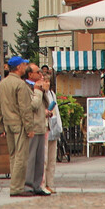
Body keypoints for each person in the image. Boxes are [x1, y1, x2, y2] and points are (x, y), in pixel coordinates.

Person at [0, 55, 45, 197]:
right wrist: (29, 128)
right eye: (23, 65)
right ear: (18, 67)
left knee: (13, 156)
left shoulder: (3, 83)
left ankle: (14, 184)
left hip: (8, 124)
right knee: (21, 157)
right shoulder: (20, 84)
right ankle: (17, 187)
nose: (25, 67)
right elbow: (25, 109)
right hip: (19, 125)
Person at [37, 67, 62, 195]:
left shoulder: (51, 94)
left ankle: (50, 183)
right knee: (45, 158)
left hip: (53, 126)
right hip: (45, 126)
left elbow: (56, 110)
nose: (47, 84)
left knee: (52, 158)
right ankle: (43, 183)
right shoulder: (39, 94)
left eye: (48, 82)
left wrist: (59, 125)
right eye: (45, 81)